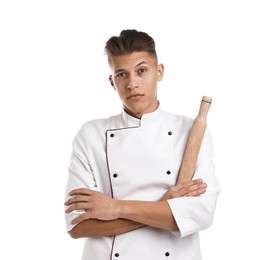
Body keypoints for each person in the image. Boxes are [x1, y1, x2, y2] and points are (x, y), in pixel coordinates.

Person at [64, 29, 220, 260]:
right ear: (111, 81)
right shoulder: (91, 134)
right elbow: (78, 226)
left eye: (141, 71)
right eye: (122, 75)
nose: (132, 84)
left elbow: (201, 214)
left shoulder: (191, 131)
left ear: (159, 72)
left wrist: (114, 208)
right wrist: (164, 207)